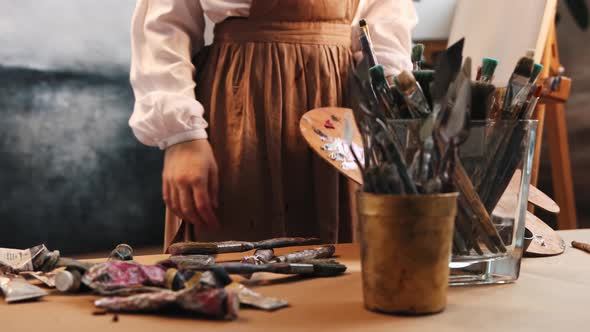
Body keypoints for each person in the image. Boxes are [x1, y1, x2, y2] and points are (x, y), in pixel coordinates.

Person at [129, 0, 417, 251]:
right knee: (232, 267)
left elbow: (386, 22)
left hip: (339, 111)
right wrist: (182, 137)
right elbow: (164, 28)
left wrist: (395, 107)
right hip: (240, 107)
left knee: (339, 263)